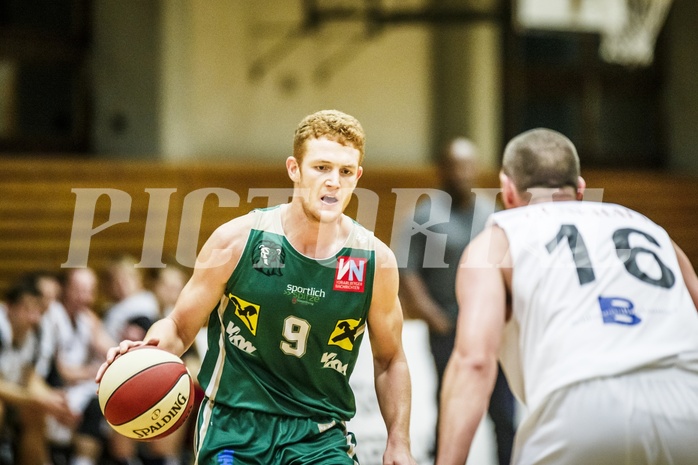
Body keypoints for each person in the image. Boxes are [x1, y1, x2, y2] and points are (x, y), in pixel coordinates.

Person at [97, 109, 417, 465]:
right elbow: (179, 326)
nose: (333, 181)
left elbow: (390, 359)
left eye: (344, 172)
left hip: (320, 434)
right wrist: (147, 351)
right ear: (294, 169)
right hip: (233, 425)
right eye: (321, 167)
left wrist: (398, 440)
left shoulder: (375, 260)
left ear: (357, 177)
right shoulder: (237, 241)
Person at [436, 128, 698, 465]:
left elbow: (474, 362)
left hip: (582, 405)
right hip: (689, 402)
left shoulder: (497, 240)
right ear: (580, 189)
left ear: (508, 190)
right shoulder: (650, 229)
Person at [399, 137, 515, 464]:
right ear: (443, 169)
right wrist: (433, 316)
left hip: (492, 330)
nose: (463, 173)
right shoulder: (424, 215)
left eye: (469, 165)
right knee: (450, 404)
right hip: (447, 328)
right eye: (456, 166)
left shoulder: (493, 215)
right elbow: (407, 271)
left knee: (504, 412)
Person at [0, 278, 77, 465]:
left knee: (36, 412)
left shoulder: (37, 331)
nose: (34, 317)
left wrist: (53, 402)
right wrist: (37, 399)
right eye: (27, 310)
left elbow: (32, 379)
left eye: (38, 311)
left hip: (13, 393)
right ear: (9, 307)